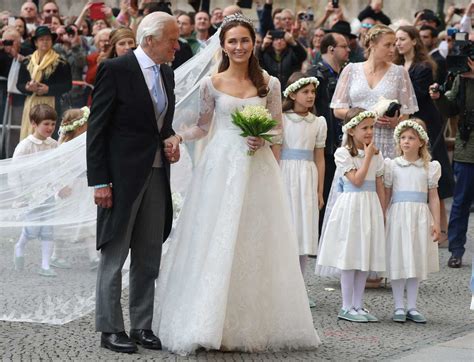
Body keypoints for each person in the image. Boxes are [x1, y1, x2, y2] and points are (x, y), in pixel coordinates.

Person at [153, 13, 320, 355]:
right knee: (215, 237)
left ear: (253, 43)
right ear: (223, 45)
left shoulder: (269, 84)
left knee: (254, 240)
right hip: (220, 165)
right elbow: (202, 126)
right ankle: (207, 320)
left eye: (245, 40)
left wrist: (263, 138)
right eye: (233, 41)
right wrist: (176, 137)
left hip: (256, 168)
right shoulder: (211, 84)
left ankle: (249, 323)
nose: (239, 46)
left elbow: (277, 128)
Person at [86, 11, 180, 353]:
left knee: (148, 254)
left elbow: (160, 124)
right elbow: (97, 129)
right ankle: (110, 328)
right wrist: (99, 181)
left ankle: (142, 325)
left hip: (156, 174)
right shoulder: (115, 69)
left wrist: (170, 140)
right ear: (150, 40)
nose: (177, 45)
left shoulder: (167, 74)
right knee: (114, 254)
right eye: (172, 39)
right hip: (120, 178)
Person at [317, 108, 385, 322]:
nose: (369, 132)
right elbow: (356, 180)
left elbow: (380, 184)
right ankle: (346, 306)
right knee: (350, 254)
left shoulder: (376, 154)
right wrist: (367, 157)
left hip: (370, 205)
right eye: (364, 128)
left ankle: (358, 304)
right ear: (352, 130)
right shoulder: (343, 153)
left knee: (364, 254)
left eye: (371, 127)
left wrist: (382, 212)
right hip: (352, 205)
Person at [394, 25, 454, 245]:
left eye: (402, 39)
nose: (398, 43)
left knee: (431, 173)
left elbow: (417, 96)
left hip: (424, 123)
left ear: (413, 40)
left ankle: (444, 230)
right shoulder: (398, 65)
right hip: (404, 123)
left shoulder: (423, 67)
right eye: (396, 40)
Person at [331, 24, 418, 161]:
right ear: (372, 44)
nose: (392, 50)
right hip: (356, 139)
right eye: (387, 45)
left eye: (394, 45)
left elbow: (407, 113)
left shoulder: (399, 72)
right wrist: (366, 118)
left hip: (386, 139)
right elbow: (338, 110)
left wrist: (395, 122)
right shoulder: (351, 69)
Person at [384, 119, 440, 324]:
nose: (406, 141)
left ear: (421, 142)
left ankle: (412, 306)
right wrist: (382, 215)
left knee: (415, 259)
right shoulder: (392, 166)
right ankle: (399, 305)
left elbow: (433, 197)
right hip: (398, 216)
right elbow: (387, 194)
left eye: (411, 138)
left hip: (419, 218)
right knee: (399, 258)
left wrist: (436, 222)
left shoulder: (429, 168)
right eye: (403, 138)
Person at [280, 72, 326, 307]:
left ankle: (299, 287)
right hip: (286, 175)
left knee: (304, 231)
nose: (310, 96)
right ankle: (283, 287)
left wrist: (319, 191)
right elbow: (276, 152)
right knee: (287, 230)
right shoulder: (282, 119)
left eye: (312, 92)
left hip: (306, 176)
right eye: (305, 92)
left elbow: (320, 158)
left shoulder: (318, 123)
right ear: (293, 94)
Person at [430, 58, 474, 269]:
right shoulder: (461, 79)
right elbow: (451, 110)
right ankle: (456, 250)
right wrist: (439, 98)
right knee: (461, 202)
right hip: (467, 149)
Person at [306, 32, 349, 232]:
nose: (348, 50)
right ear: (331, 49)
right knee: (322, 188)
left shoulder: (345, 73)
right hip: (324, 142)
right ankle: (319, 235)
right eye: (344, 46)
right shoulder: (315, 74)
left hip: (342, 141)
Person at [12, 104, 59, 277]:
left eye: (53, 124)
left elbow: (58, 167)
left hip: (47, 195)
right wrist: (21, 194)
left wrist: (59, 186)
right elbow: (15, 173)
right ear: (34, 123)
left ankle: (45, 265)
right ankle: (19, 246)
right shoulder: (25, 147)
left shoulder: (54, 145)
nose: (50, 128)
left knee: (48, 229)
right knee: (32, 229)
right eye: (46, 124)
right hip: (30, 196)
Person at [17, 25, 72, 140]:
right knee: (30, 135)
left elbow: (67, 85)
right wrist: (27, 87)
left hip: (52, 103)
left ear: (52, 42)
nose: (45, 42)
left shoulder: (61, 62)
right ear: (36, 43)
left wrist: (49, 89)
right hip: (31, 103)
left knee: (50, 136)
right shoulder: (27, 61)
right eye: (41, 39)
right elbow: (19, 84)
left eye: (48, 39)